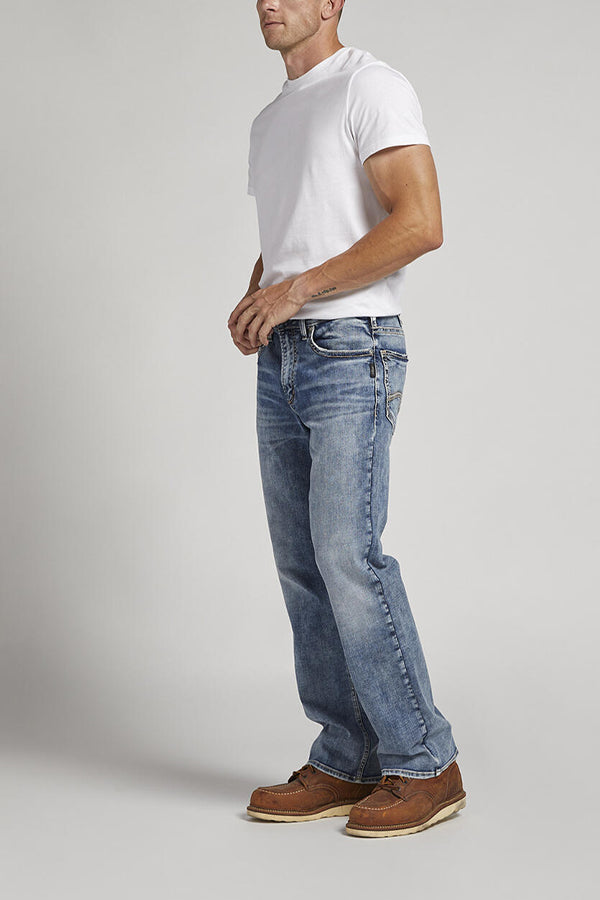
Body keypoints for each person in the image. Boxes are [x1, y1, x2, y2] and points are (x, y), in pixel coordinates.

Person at [227, 0, 466, 838]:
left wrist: (296, 290)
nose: (270, 3)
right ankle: (346, 754)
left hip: (352, 348)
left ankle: (425, 763)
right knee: (302, 564)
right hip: (286, 355)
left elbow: (421, 224)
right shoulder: (271, 118)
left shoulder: (372, 86)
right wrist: (261, 293)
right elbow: (299, 233)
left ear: (333, 2)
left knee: (347, 557)